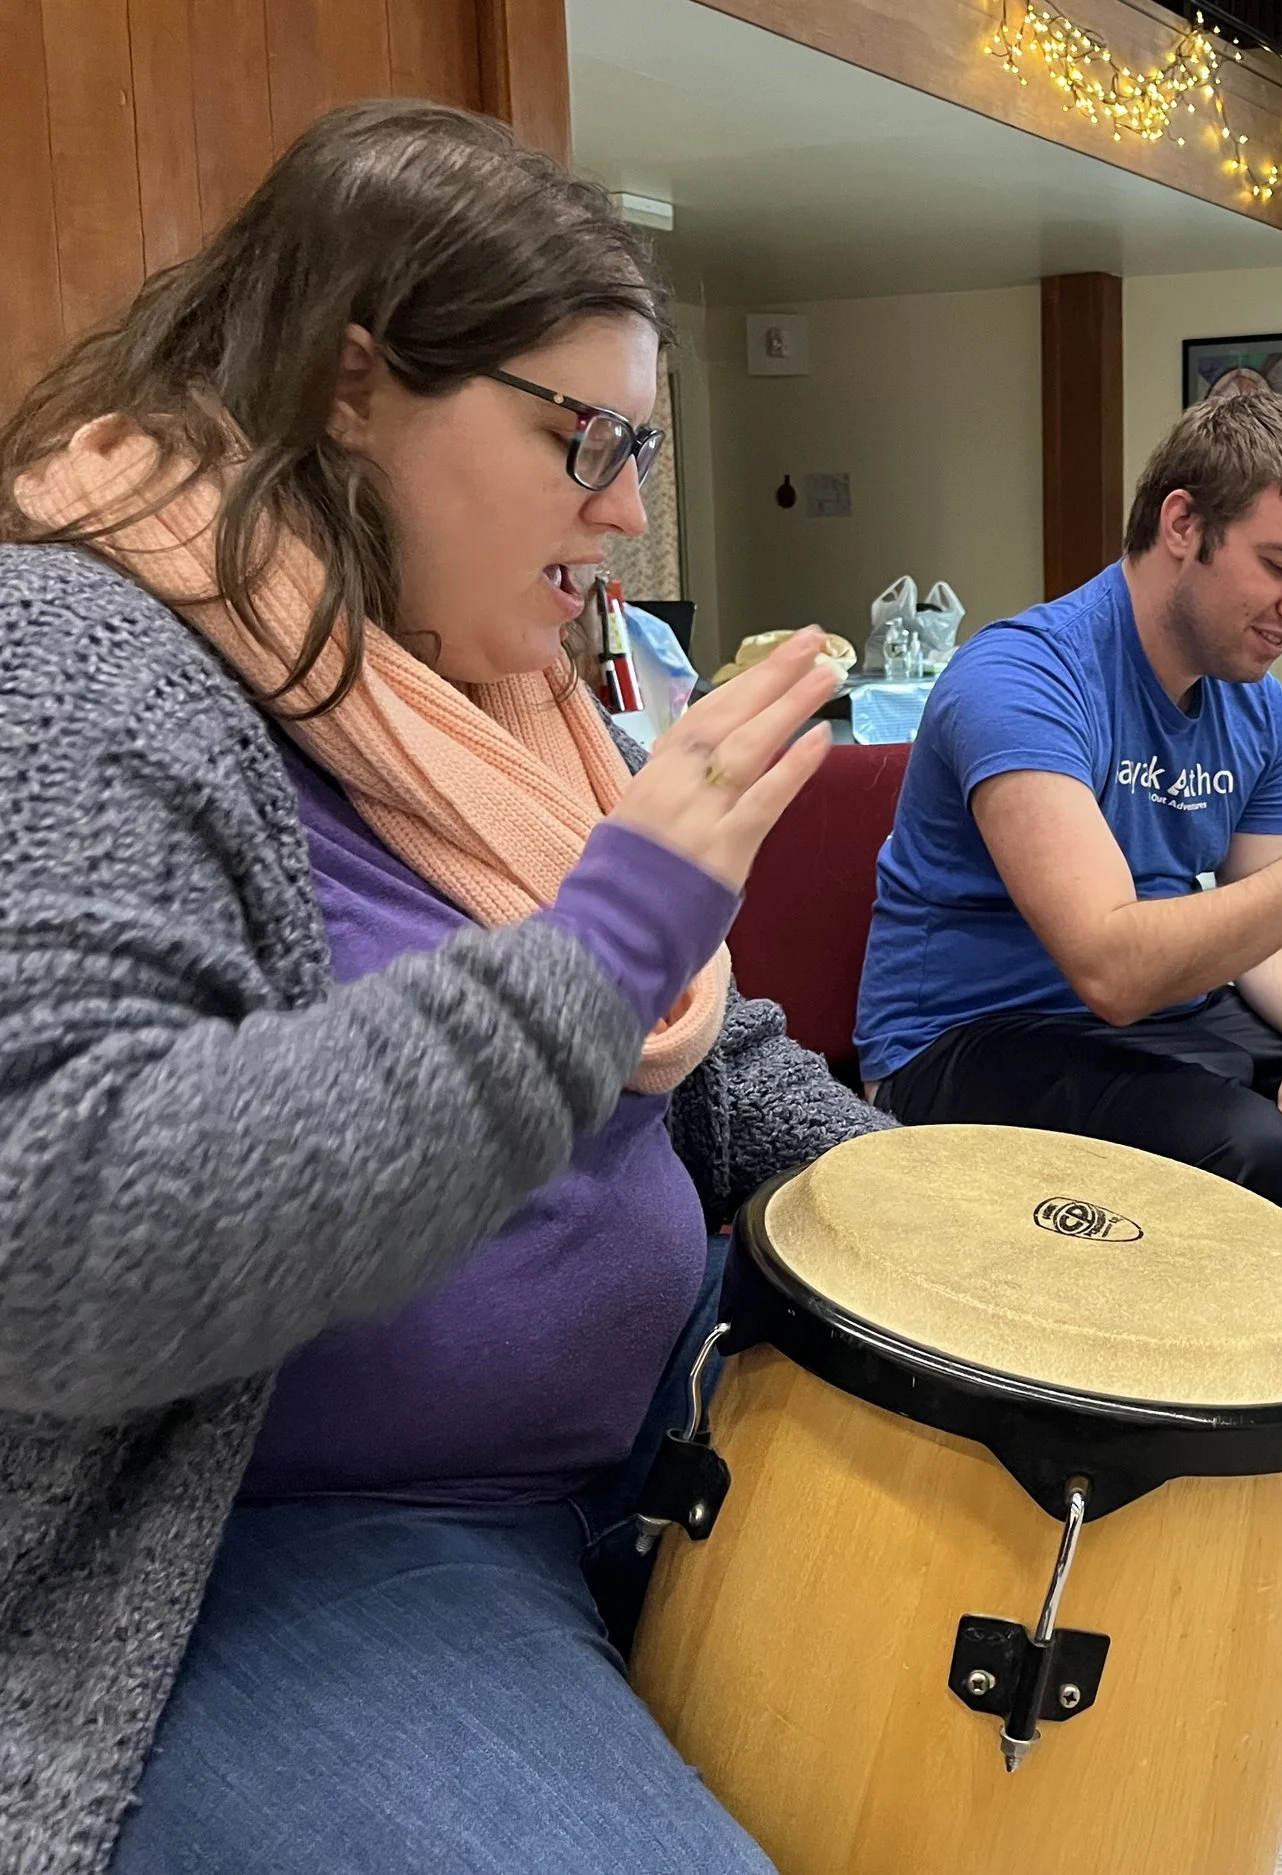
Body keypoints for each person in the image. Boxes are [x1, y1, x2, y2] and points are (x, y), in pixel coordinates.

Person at [0, 103, 888, 1872]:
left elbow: (690, 1061)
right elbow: (65, 1244)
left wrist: (928, 1194)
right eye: (587, 441)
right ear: (351, 388)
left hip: (628, 1438)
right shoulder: (83, 658)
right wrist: (613, 927)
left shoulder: (485, 681)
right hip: (288, 1539)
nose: (628, 510)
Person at [854, 388, 1282, 1770]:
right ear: (1182, 526)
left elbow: (1258, 921)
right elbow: (1107, 962)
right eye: (1280, 565)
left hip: (1155, 1023)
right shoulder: (1020, 676)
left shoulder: (1252, 708)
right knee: (1253, 1157)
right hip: (966, 1043)